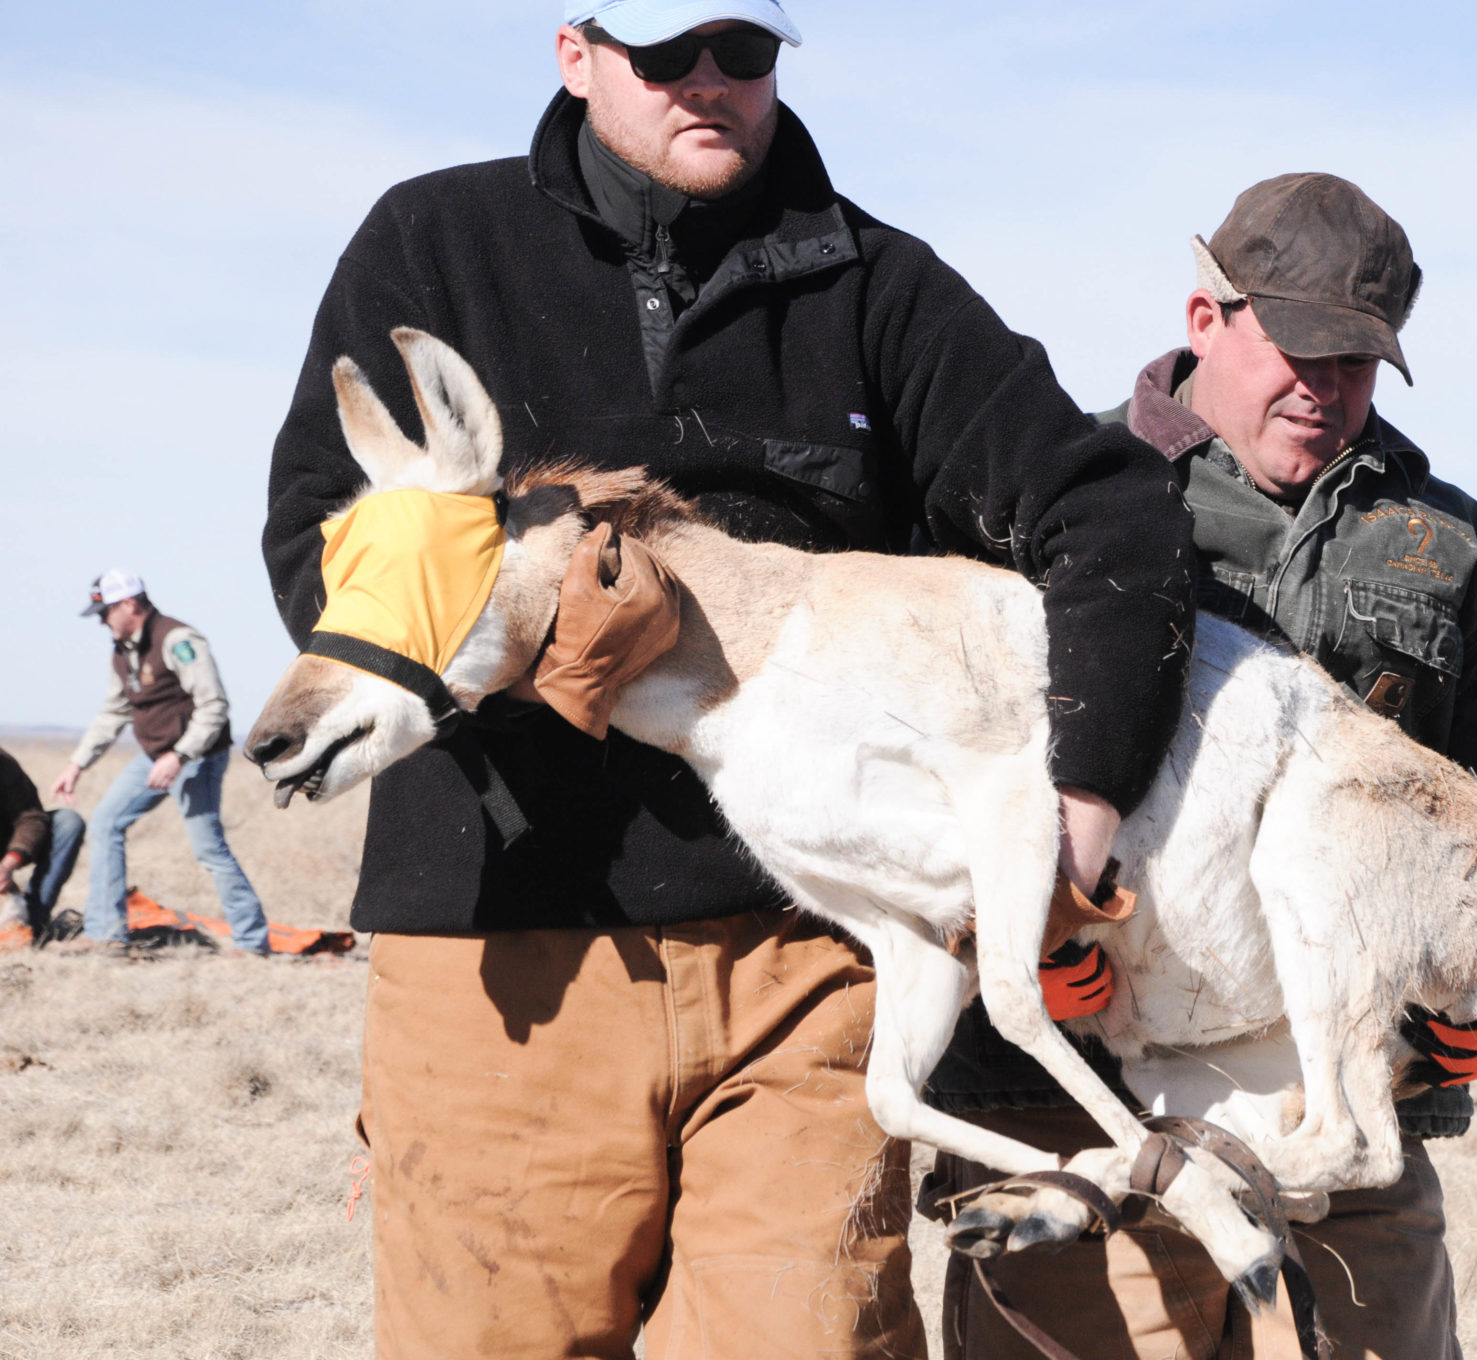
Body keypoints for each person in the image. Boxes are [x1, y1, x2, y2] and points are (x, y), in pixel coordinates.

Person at [259, 3, 1194, 1356]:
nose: (710, 83)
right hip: (502, 954)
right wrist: (537, 649)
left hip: (809, 969)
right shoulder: (434, 244)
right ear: (576, 52)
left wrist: (1086, 794)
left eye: (743, 52)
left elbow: (1108, 515)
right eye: (665, 53)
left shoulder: (881, 286)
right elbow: (322, 541)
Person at [929, 174, 1477, 1360]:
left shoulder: (1471, 557)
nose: (1323, 392)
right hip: (1063, 1104)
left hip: (1343, 1120)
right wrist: (993, 942)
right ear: (1204, 316)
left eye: (1357, 365)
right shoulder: (1039, 503)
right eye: (1297, 352)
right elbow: (924, 762)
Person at [50, 570, 269, 956]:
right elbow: (113, 713)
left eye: (105, 612)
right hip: (155, 756)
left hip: (198, 756)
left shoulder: (178, 640)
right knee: (105, 823)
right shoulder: (122, 651)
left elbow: (214, 705)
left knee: (208, 848)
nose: (101, 621)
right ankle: (106, 935)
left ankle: (252, 943)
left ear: (129, 605)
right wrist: (76, 765)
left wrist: (180, 755)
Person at [0, 746, 84, 941]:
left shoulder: (3, 764)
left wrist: (8, 864)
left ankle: (32, 925)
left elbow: (31, 818)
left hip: (6, 843)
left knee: (68, 823)